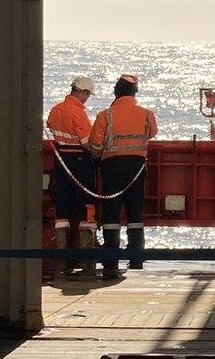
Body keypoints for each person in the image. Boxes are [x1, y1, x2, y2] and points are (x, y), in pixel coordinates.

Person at [88, 74, 158, 278]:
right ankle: (136, 256)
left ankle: (111, 256)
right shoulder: (146, 114)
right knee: (135, 213)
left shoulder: (105, 115)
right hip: (136, 168)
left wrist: (97, 156)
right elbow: (152, 133)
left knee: (111, 213)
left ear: (116, 92)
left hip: (112, 167)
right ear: (134, 93)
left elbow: (94, 144)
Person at [46, 76, 98, 276]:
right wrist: (98, 154)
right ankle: (86, 255)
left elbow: (51, 127)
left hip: (61, 161)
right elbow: (87, 141)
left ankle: (61, 255)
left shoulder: (56, 110)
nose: (87, 99)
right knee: (87, 206)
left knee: (63, 206)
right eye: (87, 95)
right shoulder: (78, 113)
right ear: (83, 93)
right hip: (80, 162)